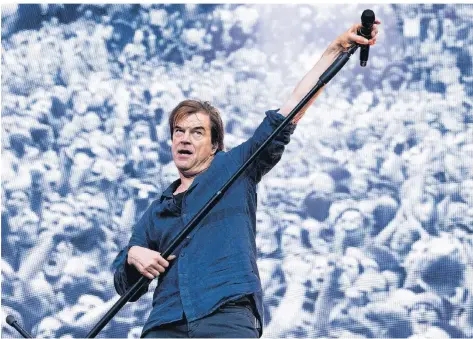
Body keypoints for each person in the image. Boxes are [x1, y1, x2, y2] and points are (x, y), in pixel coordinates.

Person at [113, 19, 380, 338]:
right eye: (178, 132)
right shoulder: (156, 211)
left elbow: (289, 111)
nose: (184, 139)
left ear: (214, 146)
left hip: (226, 314)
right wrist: (133, 256)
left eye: (197, 132)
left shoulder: (235, 167)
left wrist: (336, 49)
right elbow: (124, 286)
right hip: (164, 324)